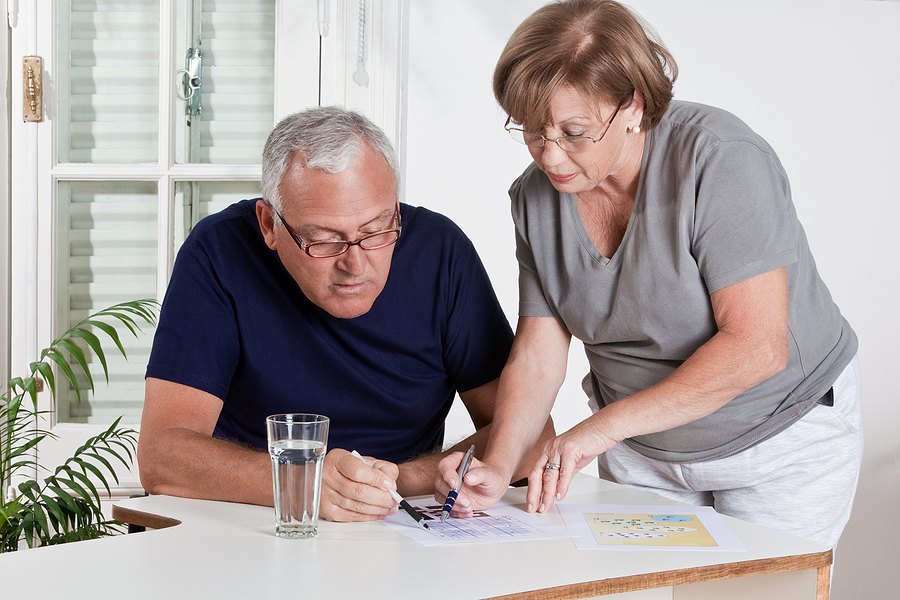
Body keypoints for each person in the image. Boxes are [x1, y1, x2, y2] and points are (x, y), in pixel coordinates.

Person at [437, 0, 862, 548]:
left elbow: (757, 346)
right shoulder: (534, 197)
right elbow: (539, 353)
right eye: (532, 130)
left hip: (779, 439)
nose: (549, 154)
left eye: (573, 131)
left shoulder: (720, 158)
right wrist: (498, 465)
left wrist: (600, 429)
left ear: (632, 107)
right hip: (645, 452)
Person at [138, 106, 553, 523]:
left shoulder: (440, 253)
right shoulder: (219, 252)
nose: (355, 265)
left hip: (399, 524)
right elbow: (162, 457)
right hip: (258, 522)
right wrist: (302, 483)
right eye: (323, 241)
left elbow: (534, 436)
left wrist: (395, 480)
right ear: (269, 224)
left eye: (375, 231)